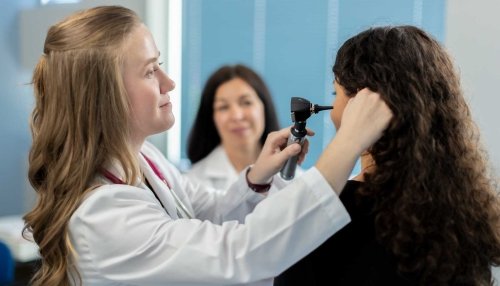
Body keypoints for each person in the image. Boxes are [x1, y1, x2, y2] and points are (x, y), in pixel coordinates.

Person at [22, 6, 392, 286]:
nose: (169, 82)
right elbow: (238, 254)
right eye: (151, 71)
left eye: (161, 65)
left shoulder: (143, 159)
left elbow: (205, 215)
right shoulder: (103, 217)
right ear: (105, 96)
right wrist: (347, 145)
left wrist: (258, 177)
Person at [274, 25, 500, 286]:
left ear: (362, 104)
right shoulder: (463, 211)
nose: (333, 109)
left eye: (337, 94)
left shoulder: (320, 214)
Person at [186, 64, 280, 191]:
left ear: (264, 106)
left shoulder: (293, 176)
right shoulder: (192, 183)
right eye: (223, 107)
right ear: (211, 117)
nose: (236, 116)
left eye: (246, 102)